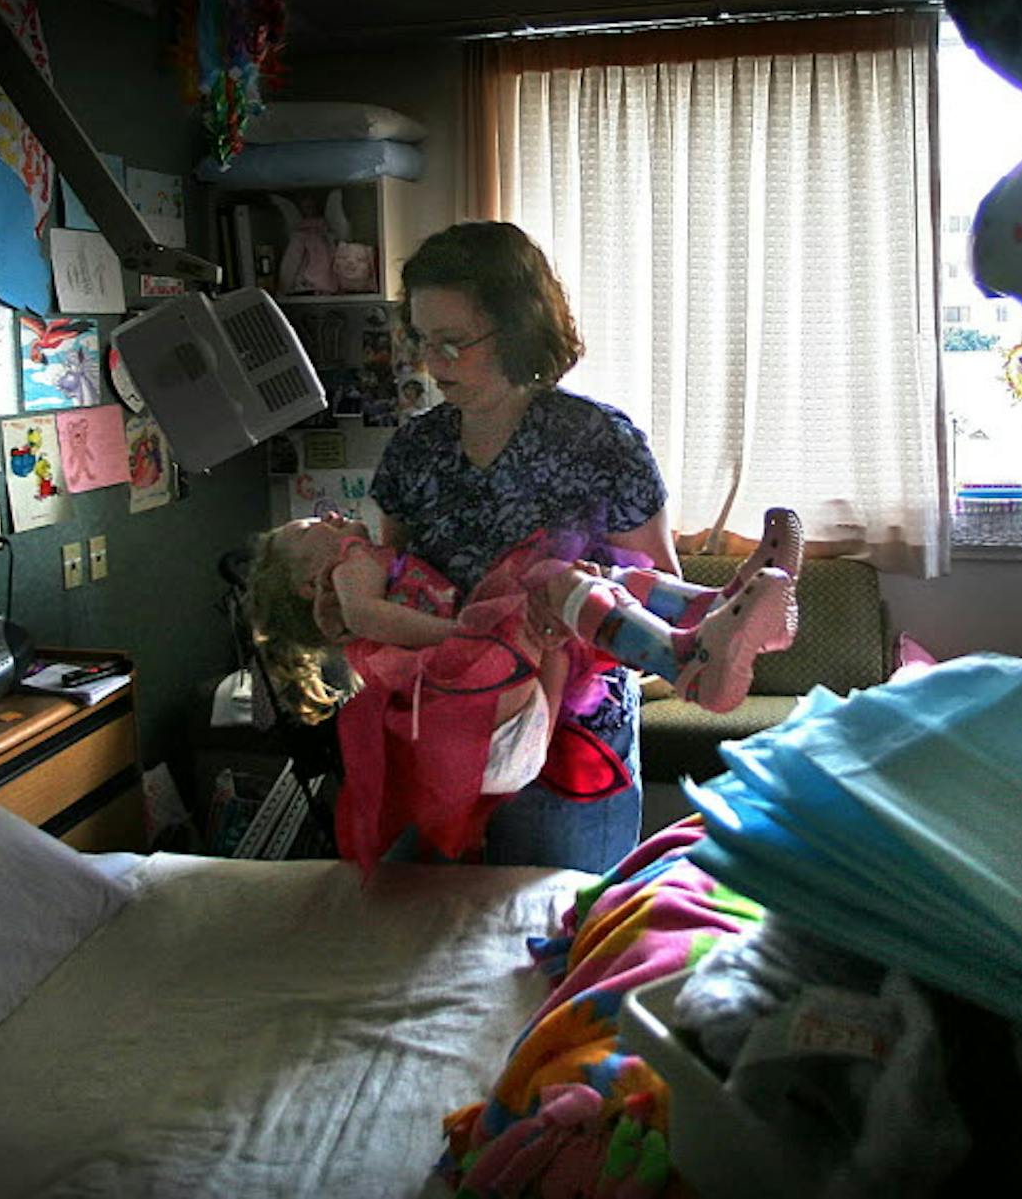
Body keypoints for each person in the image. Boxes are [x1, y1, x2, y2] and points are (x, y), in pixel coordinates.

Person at [367, 222, 802, 873]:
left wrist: (557, 633)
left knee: (560, 949)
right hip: (446, 737)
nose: (436, 363)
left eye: (455, 342)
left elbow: (645, 603)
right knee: (423, 942)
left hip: (569, 753)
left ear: (517, 327)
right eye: (424, 340)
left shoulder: (601, 442)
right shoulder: (414, 450)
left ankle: (721, 614)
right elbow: (389, 579)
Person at [245, 509, 799, 870]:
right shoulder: (347, 570)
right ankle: (686, 656)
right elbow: (371, 617)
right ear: (304, 580)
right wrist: (463, 635)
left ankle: (714, 610)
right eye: (307, 527)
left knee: (584, 581)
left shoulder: (362, 565)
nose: (329, 516)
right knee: (555, 579)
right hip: (474, 709)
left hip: (496, 721)